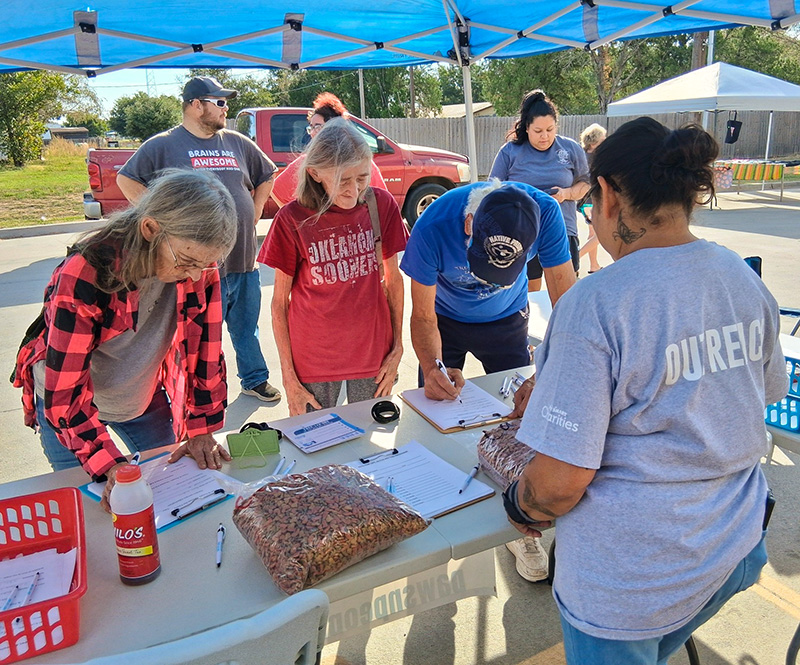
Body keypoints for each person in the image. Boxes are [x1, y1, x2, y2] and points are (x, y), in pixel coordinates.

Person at [504, 117, 787, 664]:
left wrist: (521, 502)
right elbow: (759, 396)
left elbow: (557, 487)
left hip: (630, 587)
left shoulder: (596, 303)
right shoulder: (741, 278)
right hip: (735, 545)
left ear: (606, 195)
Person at [13, 169, 238, 510]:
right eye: (188, 262)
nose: (195, 276)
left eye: (205, 265)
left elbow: (205, 352)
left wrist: (202, 427)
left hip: (141, 396)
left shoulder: (198, 267)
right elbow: (65, 393)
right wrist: (109, 466)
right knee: (92, 508)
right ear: (150, 229)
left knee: (167, 495)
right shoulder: (87, 272)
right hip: (69, 407)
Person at [400, 178, 576, 581]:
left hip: (507, 319)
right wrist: (431, 369)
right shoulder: (434, 223)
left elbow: (567, 297)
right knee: (436, 413)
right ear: (468, 225)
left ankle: (522, 517)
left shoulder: (544, 211)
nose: (493, 277)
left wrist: (551, 372)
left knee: (524, 418)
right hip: (444, 319)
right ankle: (429, 505)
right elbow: (423, 315)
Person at [116, 75, 282, 403]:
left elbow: (268, 173)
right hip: (198, 268)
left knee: (247, 326)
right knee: (200, 335)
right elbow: (126, 178)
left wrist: (255, 206)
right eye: (219, 102)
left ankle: (254, 378)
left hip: (243, 259)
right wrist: (162, 222)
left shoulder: (237, 142)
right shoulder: (162, 145)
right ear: (195, 106)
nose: (226, 108)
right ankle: (197, 391)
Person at [258, 119, 407, 415]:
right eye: (343, 180)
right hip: (313, 360)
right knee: (313, 443)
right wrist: (288, 377)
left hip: (373, 354)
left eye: (362, 178)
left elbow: (393, 281)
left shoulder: (381, 205)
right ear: (315, 173)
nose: (354, 191)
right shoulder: (293, 218)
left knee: (370, 443)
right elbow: (278, 305)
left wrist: (398, 348)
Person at [489, 90, 590, 291]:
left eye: (550, 130)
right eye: (538, 131)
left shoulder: (570, 148)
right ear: (526, 128)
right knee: (529, 295)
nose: (545, 136)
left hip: (563, 229)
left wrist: (566, 194)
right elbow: (492, 192)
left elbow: (586, 183)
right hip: (521, 233)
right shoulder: (510, 152)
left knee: (567, 294)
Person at [270, 92, 387, 208]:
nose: (313, 132)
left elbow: (381, 201)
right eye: (311, 127)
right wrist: (300, 218)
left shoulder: (362, 161)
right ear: (314, 173)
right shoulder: (308, 163)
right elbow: (276, 190)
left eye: (317, 126)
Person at [577, 122, 606, 274]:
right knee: (602, 234)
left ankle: (593, 265)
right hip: (592, 200)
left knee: (593, 233)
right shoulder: (597, 158)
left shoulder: (581, 154)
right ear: (596, 141)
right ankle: (575, 258)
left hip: (583, 201)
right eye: (603, 138)